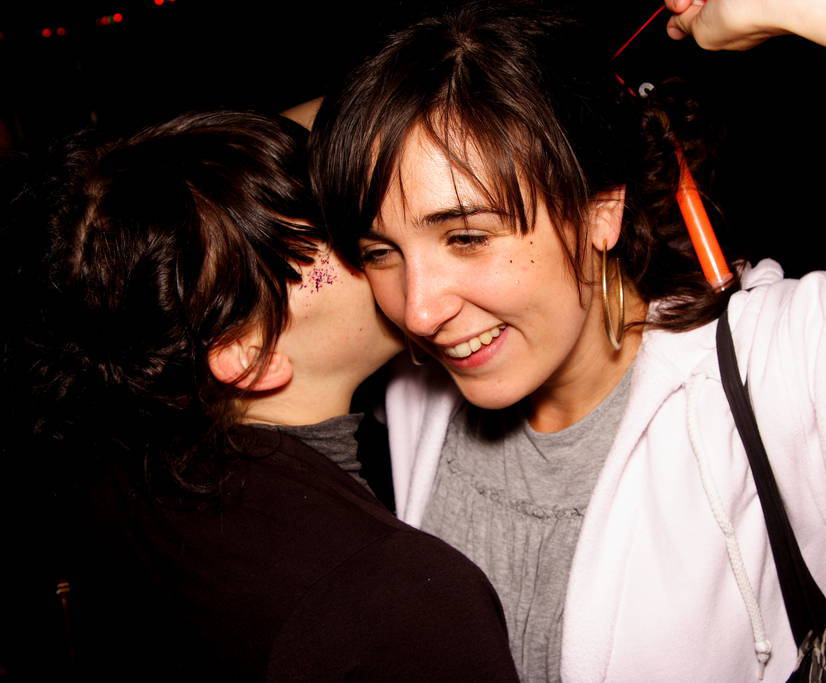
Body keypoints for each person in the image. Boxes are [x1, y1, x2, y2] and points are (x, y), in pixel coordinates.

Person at [306, 0, 826, 680]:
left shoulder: (775, 369)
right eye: (379, 252)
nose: (418, 311)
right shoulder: (422, 379)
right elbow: (249, 156)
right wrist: (427, 78)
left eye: (467, 237)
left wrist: (813, 5)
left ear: (601, 210)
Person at [12, 111, 518, 681]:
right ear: (250, 355)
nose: (371, 233)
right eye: (328, 232)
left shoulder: (119, 486)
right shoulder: (394, 598)